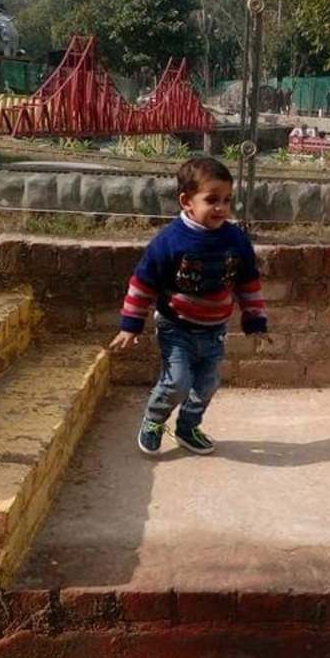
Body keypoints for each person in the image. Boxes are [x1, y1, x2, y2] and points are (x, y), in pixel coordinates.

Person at [109, 157, 270, 456]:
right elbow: (143, 284)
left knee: (207, 384)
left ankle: (187, 427)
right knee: (177, 383)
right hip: (176, 327)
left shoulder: (235, 239)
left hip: (214, 331)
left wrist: (255, 320)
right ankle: (154, 420)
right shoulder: (169, 242)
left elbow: (248, 281)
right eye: (211, 200)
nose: (221, 208)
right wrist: (130, 324)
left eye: (227, 200)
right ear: (186, 201)